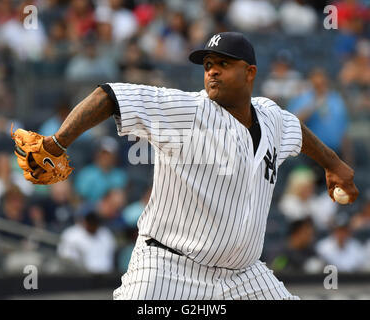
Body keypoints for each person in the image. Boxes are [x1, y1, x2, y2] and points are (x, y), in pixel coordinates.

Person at [21, 32, 358, 300]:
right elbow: (109, 96)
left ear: (250, 72)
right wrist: (57, 142)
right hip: (169, 267)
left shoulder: (270, 116)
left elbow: (295, 130)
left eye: (223, 63)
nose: (211, 70)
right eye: (208, 63)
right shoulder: (187, 110)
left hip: (244, 275)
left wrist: (336, 165)